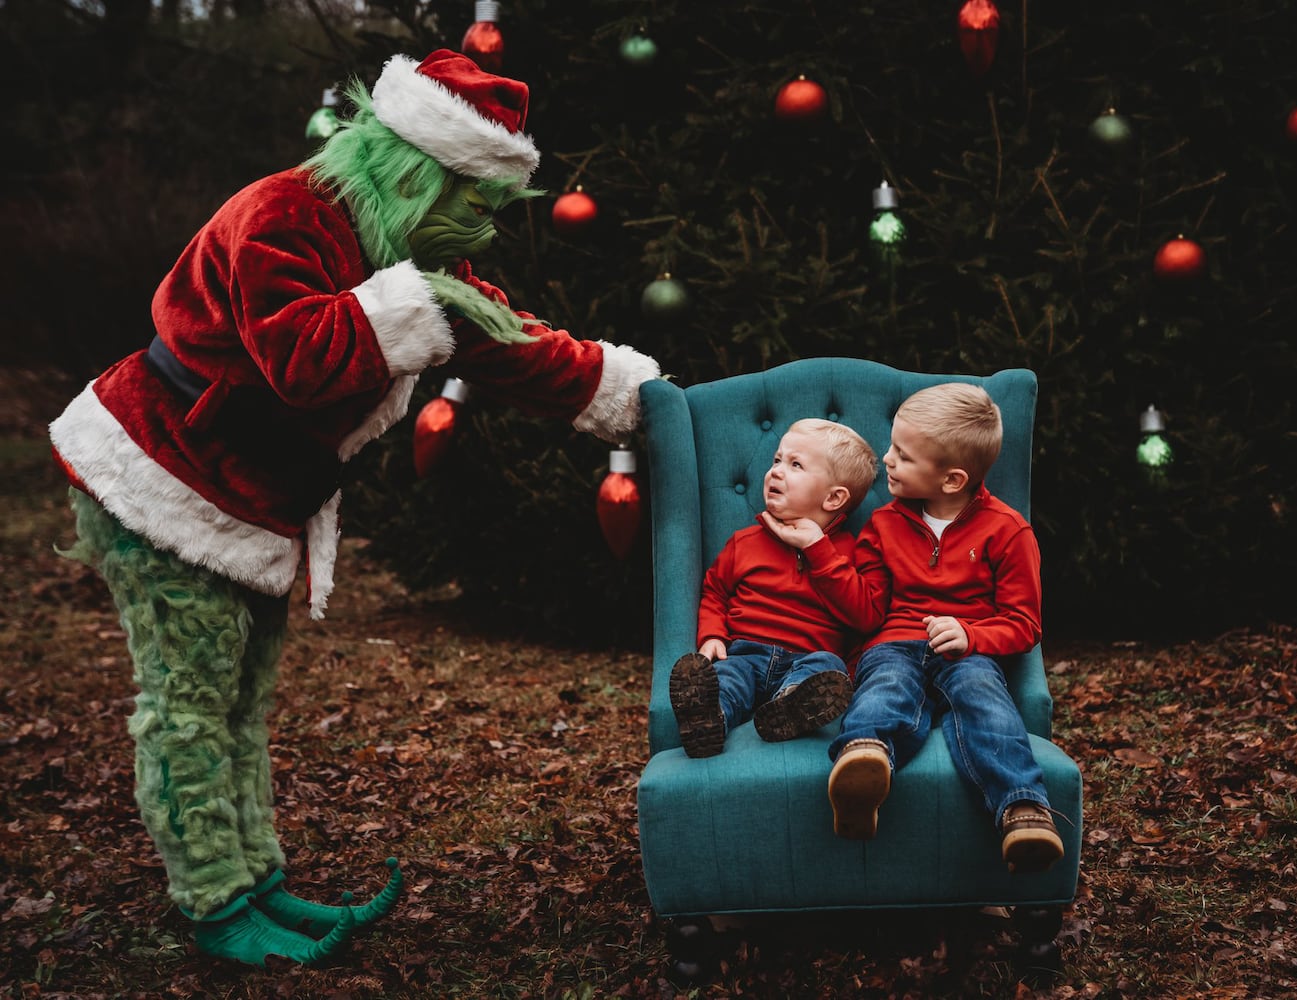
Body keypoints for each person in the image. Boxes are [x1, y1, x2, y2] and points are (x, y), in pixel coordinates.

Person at [47, 50, 659, 966]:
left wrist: (628, 396)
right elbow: (302, 358)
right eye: (474, 206)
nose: (483, 236)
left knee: (239, 698)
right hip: (160, 475)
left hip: (250, 496)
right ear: (420, 172)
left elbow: (502, 341)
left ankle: (258, 881)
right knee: (188, 703)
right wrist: (431, 302)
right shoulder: (280, 216)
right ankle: (214, 902)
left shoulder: (408, 251)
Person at [764, 383, 1062, 872]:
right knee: (885, 683)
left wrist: (972, 635)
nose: (887, 460)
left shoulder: (1008, 531)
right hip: (895, 641)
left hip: (969, 652)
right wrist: (817, 547)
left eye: (902, 455)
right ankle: (864, 761)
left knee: (985, 699)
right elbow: (867, 612)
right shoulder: (884, 524)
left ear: (950, 480)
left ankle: (1023, 810)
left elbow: (1025, 623)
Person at [669, 419, 880, 758]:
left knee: (828, 666)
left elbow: (865, 615)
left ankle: (791, 709)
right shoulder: (744, 542)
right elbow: (715, 593)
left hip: (810, 658)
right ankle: (709, 721)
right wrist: (711, 636)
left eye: (795, 465)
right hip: (745, 653)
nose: (776, 471)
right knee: (727, 680)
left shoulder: (852, 553)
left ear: (833, 498)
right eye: (777, 460)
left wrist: (817, 549)